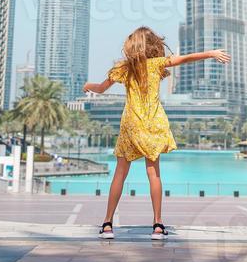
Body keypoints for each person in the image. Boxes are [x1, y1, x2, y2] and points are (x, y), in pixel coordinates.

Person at [83, 26, 231, 240]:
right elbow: (185, 58)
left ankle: (107, 225)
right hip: (153, 123)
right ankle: (158, 226)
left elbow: (100, 88)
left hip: (131, 124)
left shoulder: (123, 68)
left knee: (120, 174)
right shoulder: (156, 64)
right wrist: (210, 53)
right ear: (152, 45)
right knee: (154, 174)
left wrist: (88, 86)